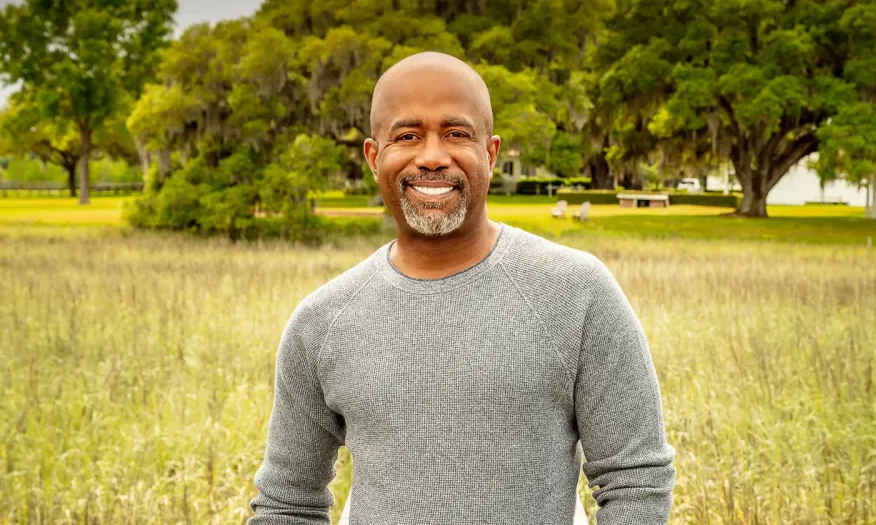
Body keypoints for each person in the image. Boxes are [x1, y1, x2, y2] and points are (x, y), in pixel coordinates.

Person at [248, 52, 675, 524]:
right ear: (373, 157)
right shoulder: (320, 323)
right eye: (407, 136)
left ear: (490, 154)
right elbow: (287, 503)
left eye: (456, 134)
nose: (432, 156)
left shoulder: (577, 294)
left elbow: (637, 482)